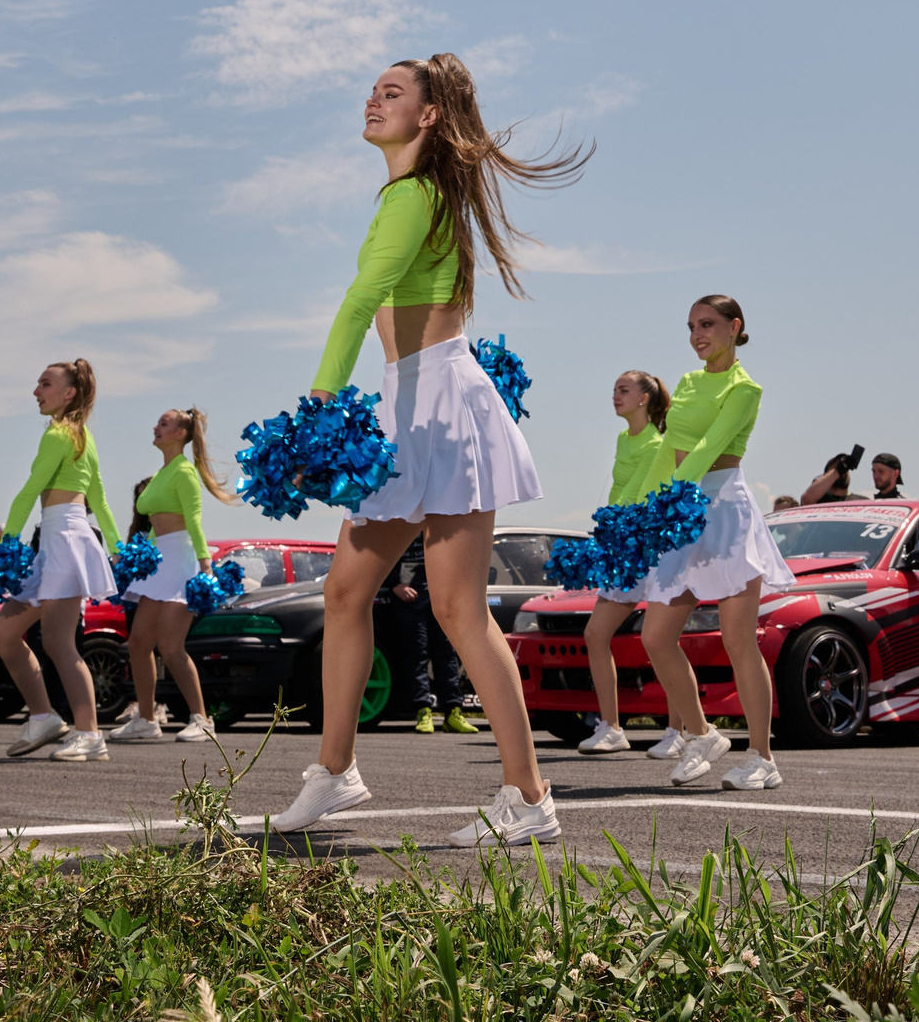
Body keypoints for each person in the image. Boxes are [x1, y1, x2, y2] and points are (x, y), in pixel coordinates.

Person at [269, 53, 588, 847]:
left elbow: (359, 301)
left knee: (456, 609)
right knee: (347, 592)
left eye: (392, 93)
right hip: (414, 399)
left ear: (430, 116)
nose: (373, 101)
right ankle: (336, 771)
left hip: (437, 403)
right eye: (373, 90)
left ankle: (529, 798)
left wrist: (317, 407)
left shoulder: (413, 196)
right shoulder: (414, 194)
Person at [638, 295, 789, 792]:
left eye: (707, 324)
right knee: (656, 636)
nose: (697, 334)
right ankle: (702, 734)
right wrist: (644, 508)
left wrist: (675, 497)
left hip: (723, 511)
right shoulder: (686, 382)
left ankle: (763, 757)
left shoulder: (746, 388)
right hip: (680, 504)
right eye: (690, 327)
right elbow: (669, 447)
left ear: (734, 327)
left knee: (737, 640)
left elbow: (708, 447)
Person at [0, 360, 120, 763]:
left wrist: (5, 544)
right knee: (4, 634)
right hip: (58, 538)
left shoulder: (61, 435)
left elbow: (30, 491)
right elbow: (99, 499)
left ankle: (90, 734)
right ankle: (44, 716)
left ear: (69, 393)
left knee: (60, 642)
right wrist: (117, 546)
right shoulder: (80, 436)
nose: (36, 391)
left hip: (63, 537)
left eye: (45, 384)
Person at [112, 406, 242, 744]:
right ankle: (145, 719)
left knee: (171, 647)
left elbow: (194, 521)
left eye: (164, 423)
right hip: (158, 563)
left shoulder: (184, 471)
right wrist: (138, 559)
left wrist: (205, 564)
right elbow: (154, 525)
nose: (156, 427)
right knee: (139, 645)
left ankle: (202, 720)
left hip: (181, 560)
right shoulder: (161, 474)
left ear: (181, 434)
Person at [574, 369, 669, 756]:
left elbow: (638, 495)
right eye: (614, 388)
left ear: (644, 398)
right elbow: (618, 490)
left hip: (648, 550)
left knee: (665, 641)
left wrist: (613, 530)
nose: (616, 395)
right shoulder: (622, 438)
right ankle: (611, 727)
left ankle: (682, 731)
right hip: (621, 548)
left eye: (624, 389)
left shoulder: (656, 443)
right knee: (596, 634)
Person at [381, 535, 475, 733]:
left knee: (447, 653)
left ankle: (453, 712)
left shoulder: (439, 525)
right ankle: (423, 711)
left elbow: (457, 559)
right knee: (417, 654)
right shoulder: (399, 519)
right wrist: (395, 585)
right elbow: (379, 555)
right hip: (410, 602)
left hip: (440, 598)